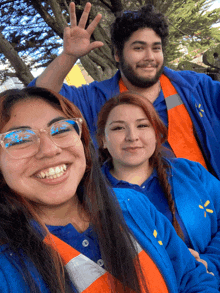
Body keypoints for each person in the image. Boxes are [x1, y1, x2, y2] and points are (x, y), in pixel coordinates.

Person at [0, 87, 218, 293]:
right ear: (101, 139)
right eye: (18, 139)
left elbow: (193, 278)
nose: (49, 150)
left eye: (60, 129)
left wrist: (210, 262)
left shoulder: (133, 204)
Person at [28, 2, 220, 179]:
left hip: (209, 204)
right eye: (138, 48)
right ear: (118, 54)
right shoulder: (95, 99)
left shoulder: (195, 86)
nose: (149, 57)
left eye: (156, 48)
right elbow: (39, 98)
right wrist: (68, 56)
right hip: (137, 212)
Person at [96, 90, 220, 288]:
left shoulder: (190, 172)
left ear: (157, 134)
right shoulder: (91, 198)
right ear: (102, 139)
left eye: (142, 125)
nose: (132, 136)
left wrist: (210, 262)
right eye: (119, 128)